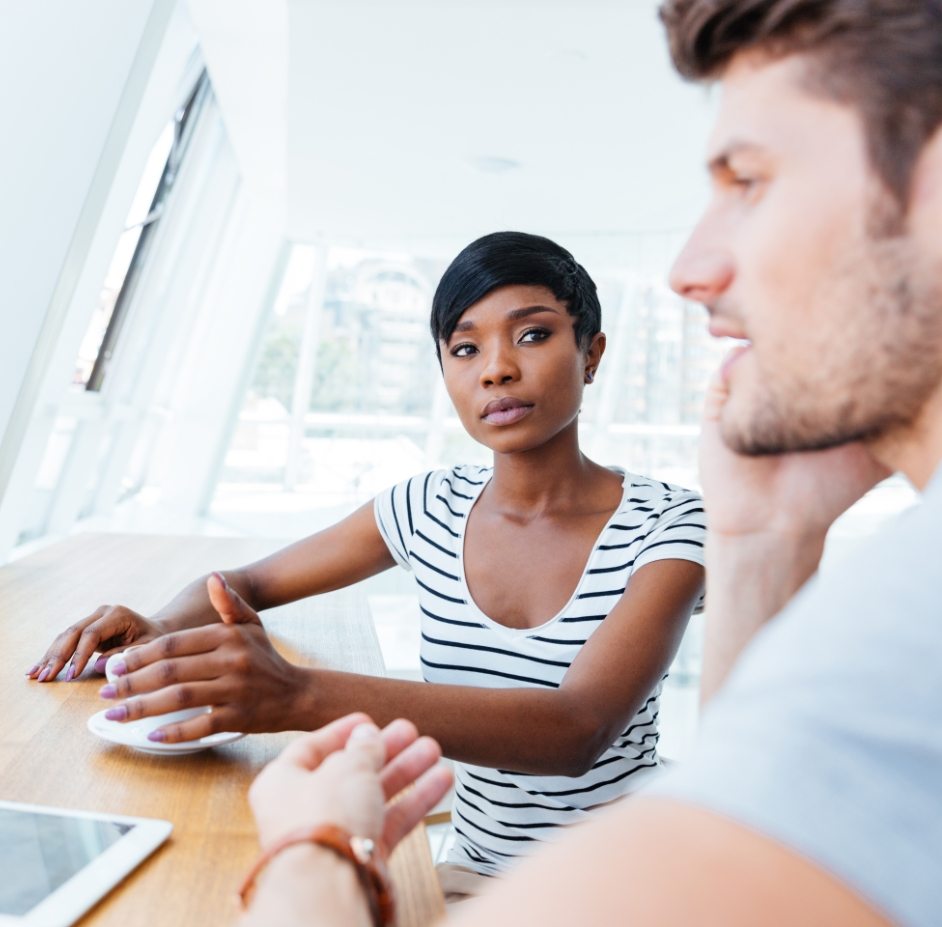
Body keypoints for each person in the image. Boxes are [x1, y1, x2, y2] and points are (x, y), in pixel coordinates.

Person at [235, 2, 942, 925]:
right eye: (464, 346)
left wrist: (312, 848)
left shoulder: (910, 619)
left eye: (751, 180)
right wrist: (765, 534)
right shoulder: (430, 504)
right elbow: (727, 874)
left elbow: (589, 742)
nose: (691, 266)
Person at [28, 231, 706, 892]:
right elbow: (247, 583)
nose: (495, 367)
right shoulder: (428, 506)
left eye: (531, 334)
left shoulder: (670, 526)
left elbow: (577, 728)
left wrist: (297, 694)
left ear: (592, 352)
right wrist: (159, 624)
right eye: (464, 347)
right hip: (473, 876)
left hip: (626, 883)